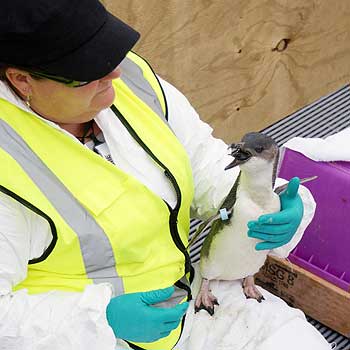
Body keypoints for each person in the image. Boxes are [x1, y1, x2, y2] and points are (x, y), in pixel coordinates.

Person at [0, 1, 328, 350]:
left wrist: (265, 200)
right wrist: (100, 319)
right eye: (89, 68)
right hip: (86, 339)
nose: (113, 74)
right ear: (22, 80)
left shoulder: (131, 81)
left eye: (109, 52)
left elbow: (203, 162)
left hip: (187, 300)